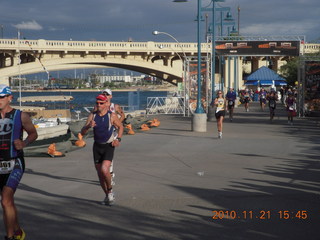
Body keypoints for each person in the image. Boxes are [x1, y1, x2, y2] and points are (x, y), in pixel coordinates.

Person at [0, 84, 38, 240]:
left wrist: (24, 143)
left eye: (1, 97)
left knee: (5, 200)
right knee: (8, 202)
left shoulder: (21, 116)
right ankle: (17, 231)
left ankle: (10, 237)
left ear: (10, 98)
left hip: (15, 162)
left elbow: (33, 133)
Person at [81, 94, 123, 205]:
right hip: (97, 147)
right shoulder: (92, 116)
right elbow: (82, 132)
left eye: (101, 103)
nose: (99, 105)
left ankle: (110, 191)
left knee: (105, 170)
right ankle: (107, 195)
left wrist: (118, 139)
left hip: (108, 146)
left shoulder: (112, 116)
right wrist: (89, 126)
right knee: (100, 174)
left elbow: (121, 127)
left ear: (106, 104)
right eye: (97, 103)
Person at [102, 88, 125, 185]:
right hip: (103, 134)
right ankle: (108, 173)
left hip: (113, 133)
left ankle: (110, 174)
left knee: (109, 155)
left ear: (110, 96)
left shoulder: (114, 106)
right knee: (103, 156)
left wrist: (118, 123)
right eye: (103, 94)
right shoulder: (100, 106)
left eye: (107, 94)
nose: (105, 96)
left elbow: (123, 115)